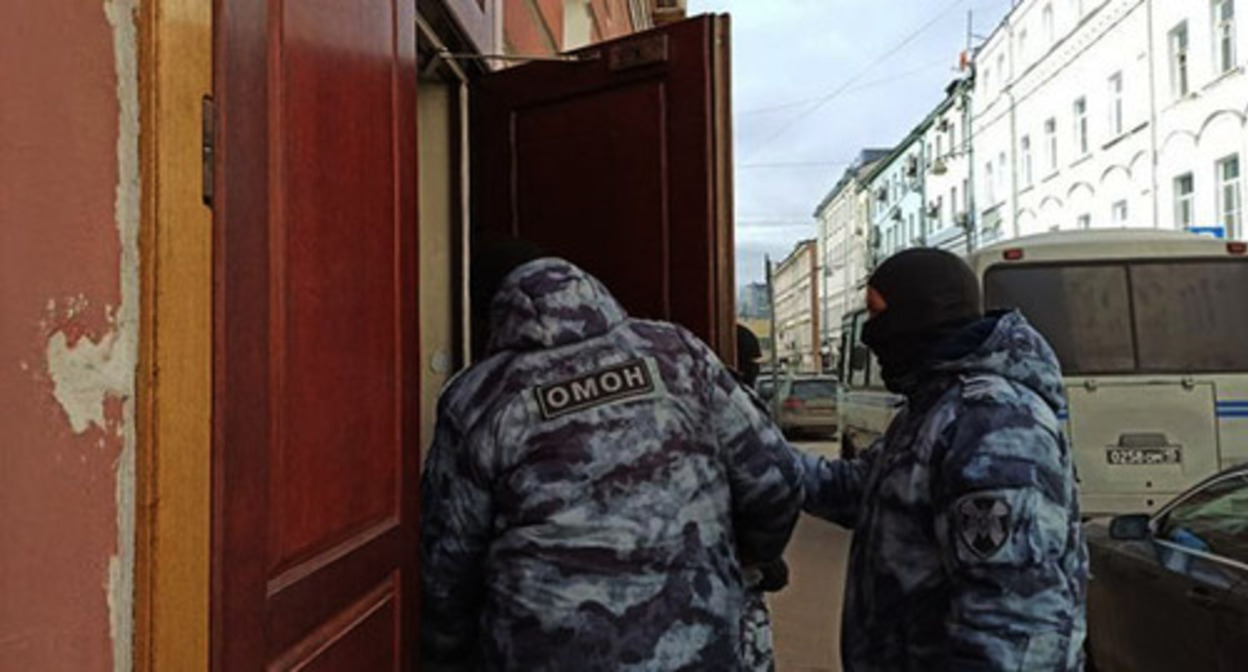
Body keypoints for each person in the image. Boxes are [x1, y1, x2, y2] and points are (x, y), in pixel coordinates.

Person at [421, 238, 804, 671]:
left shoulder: (478, 397)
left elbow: (445, 566)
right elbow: (777, 480)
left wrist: (444, 656)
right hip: (701, 649)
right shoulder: (678, 354)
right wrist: (755, 554)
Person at [793, 248, 1088, 670]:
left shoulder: (991, 421)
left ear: (921, 313)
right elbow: (858, 490)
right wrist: (747, 441)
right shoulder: (933, 409)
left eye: (878, 315)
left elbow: (1013, 622)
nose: (869, 337)